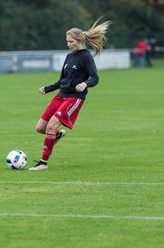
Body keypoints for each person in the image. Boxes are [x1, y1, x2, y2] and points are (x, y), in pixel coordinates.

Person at [29, 17, 110, 171]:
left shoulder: (86, 56)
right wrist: (48, 88)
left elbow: (95, 78)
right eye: (67, 41)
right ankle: (57, 135)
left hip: (74, 98)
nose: (68, 44)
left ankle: (43, 163)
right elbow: (63, 81)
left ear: (79, 40)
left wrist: (85, 83)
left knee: (51, 126)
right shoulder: (69, 56)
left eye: (71, 41)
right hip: (60, 95)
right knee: (40, 128)